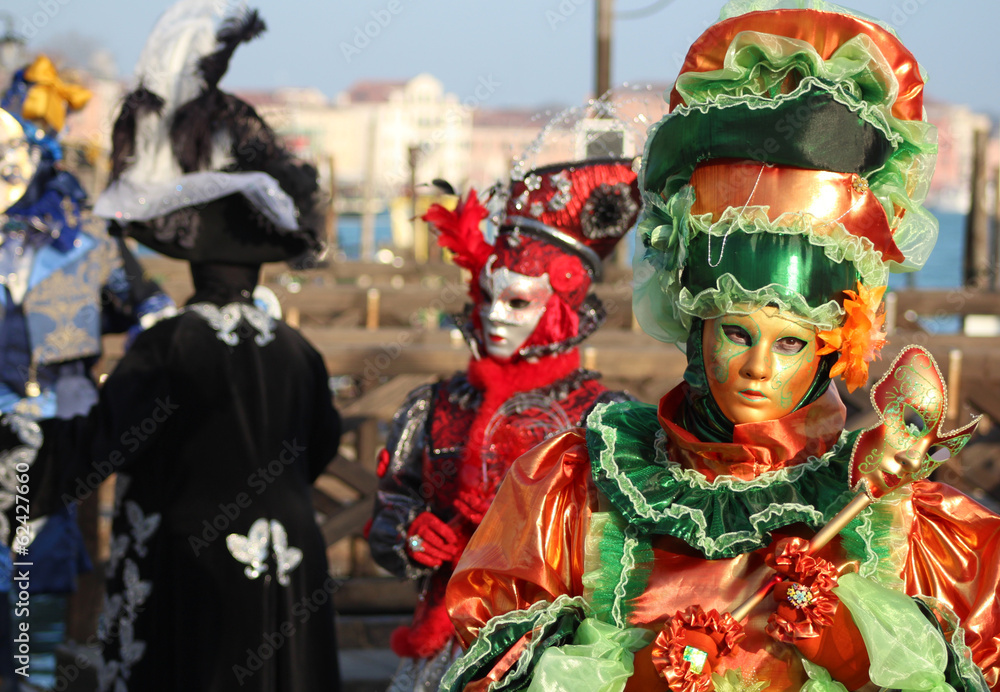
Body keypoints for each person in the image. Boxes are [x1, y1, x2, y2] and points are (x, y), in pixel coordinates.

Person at [442, 3, 1000, 691]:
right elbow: (493, 665)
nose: (759, 368)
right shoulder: (579, 486)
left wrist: (847, 648)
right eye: (737, 333)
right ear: (696, 329)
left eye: (791, 343)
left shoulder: (885, 507)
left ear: (832, 352)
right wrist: (648, 668)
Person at [2, 5, 342, 691]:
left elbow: (98, 442)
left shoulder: (170, 346)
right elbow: (321, 446)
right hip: (289, 566)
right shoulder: (295, 348)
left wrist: (14, 450)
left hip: (195, 568)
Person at [368, 158, 642, 691]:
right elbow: (392, 502)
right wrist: (411, 534)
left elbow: (632, 549)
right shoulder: (437, 405)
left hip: (562, 660)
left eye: (517, 301)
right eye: (488, 297)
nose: (495, 315)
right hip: (444, 649)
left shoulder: (605, 418)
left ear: (562, 308)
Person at [0, 55, 173, 690]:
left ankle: (29, 677)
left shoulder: (83, 236)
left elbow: (149, 307)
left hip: (49, 442)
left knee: (34, 566)